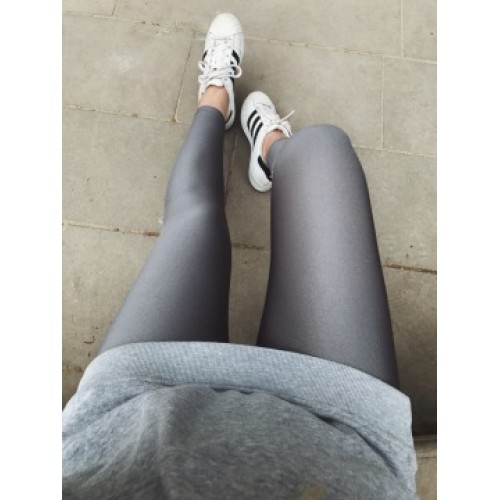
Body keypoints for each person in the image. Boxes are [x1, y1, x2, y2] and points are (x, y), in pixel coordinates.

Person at [62, 13, 417, 499]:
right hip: (342, 432)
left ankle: (215, 99)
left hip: (137, 410)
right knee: (324, 148)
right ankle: (270, 148)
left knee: (194, 218)